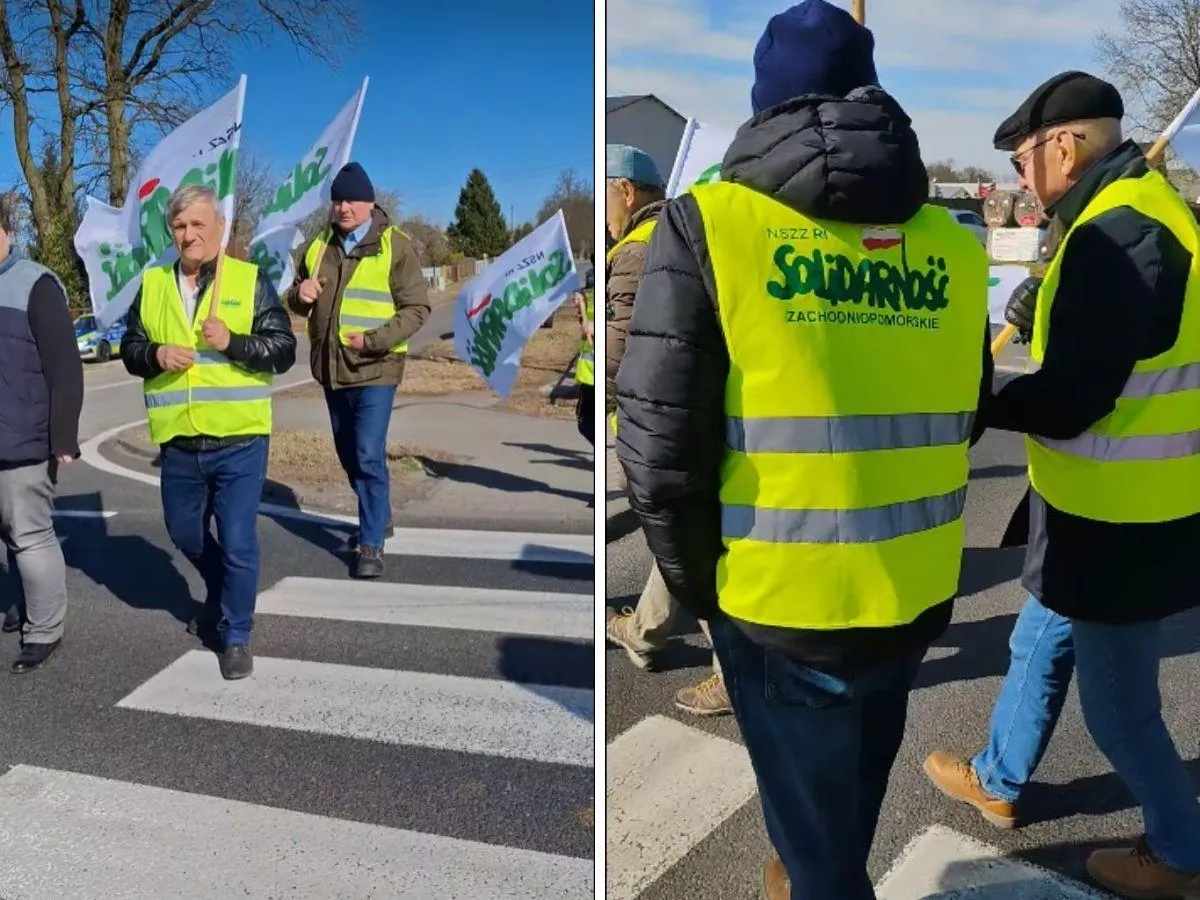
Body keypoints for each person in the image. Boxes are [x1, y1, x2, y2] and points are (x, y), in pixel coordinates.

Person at [615, 2, 992, 896]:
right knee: (845, 808)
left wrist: (697, 582)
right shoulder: (954, 243)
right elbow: (970, 410)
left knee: (820, 853)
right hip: (912, 584)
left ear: (765, 104)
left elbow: (659, 446)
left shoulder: (709, 224)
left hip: (777, 601)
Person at [922, 71, 1200, 899]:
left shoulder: (1122, 236)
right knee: (1037, 640)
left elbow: (1077, 396)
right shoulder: (1121, 222)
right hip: (1087, 500)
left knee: (1119, 712)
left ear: (1066, 146)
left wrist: (980, 405)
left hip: (1122, 518)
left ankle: (1182, 853)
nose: (1016, 175)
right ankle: (1000, 780)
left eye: (1021, 157)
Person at [122, 183, 296, 680]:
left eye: (199, 224)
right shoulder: (154, 284)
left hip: (239, 440)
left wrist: (234, 341)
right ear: (170, 232)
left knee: (238, 538)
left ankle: (236, 632)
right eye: (179, 226)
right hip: (178, 442)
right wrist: (155, 354)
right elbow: (130, 348)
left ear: (219, 228)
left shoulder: (248, 280)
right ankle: (223, 590)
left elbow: (282, 350)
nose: (188, 234)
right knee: (184, 532)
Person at [601, 145, 730, 716]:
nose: (604, 210)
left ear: (626, 192)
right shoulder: (693, 232)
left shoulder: (634, 250)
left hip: (649, 420)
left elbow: (621, 345)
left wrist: (598, 390)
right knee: (677, 530)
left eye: (604, 194)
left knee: (683, 537)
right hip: (695, 412)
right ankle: (646, 631)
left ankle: (732, 670)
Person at [285, 162, 430, 579]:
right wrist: (300, 294)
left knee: (367, 452)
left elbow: (418, 308)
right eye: (337, 199)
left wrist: (375, 340)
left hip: (376, 368)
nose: (343, 207)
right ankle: (378, 512)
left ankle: (371, 544)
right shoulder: (318, 247)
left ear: (369, 202)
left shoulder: (395, 246)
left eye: (350, 199)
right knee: (348, 454)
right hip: (331, 369)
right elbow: (294, 299)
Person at [0, 196, 83, 673]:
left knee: (29, 535)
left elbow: (65, 370)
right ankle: (21, 605)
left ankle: (44, 630)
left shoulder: (36, 284)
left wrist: (63, 437)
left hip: (24, 443)